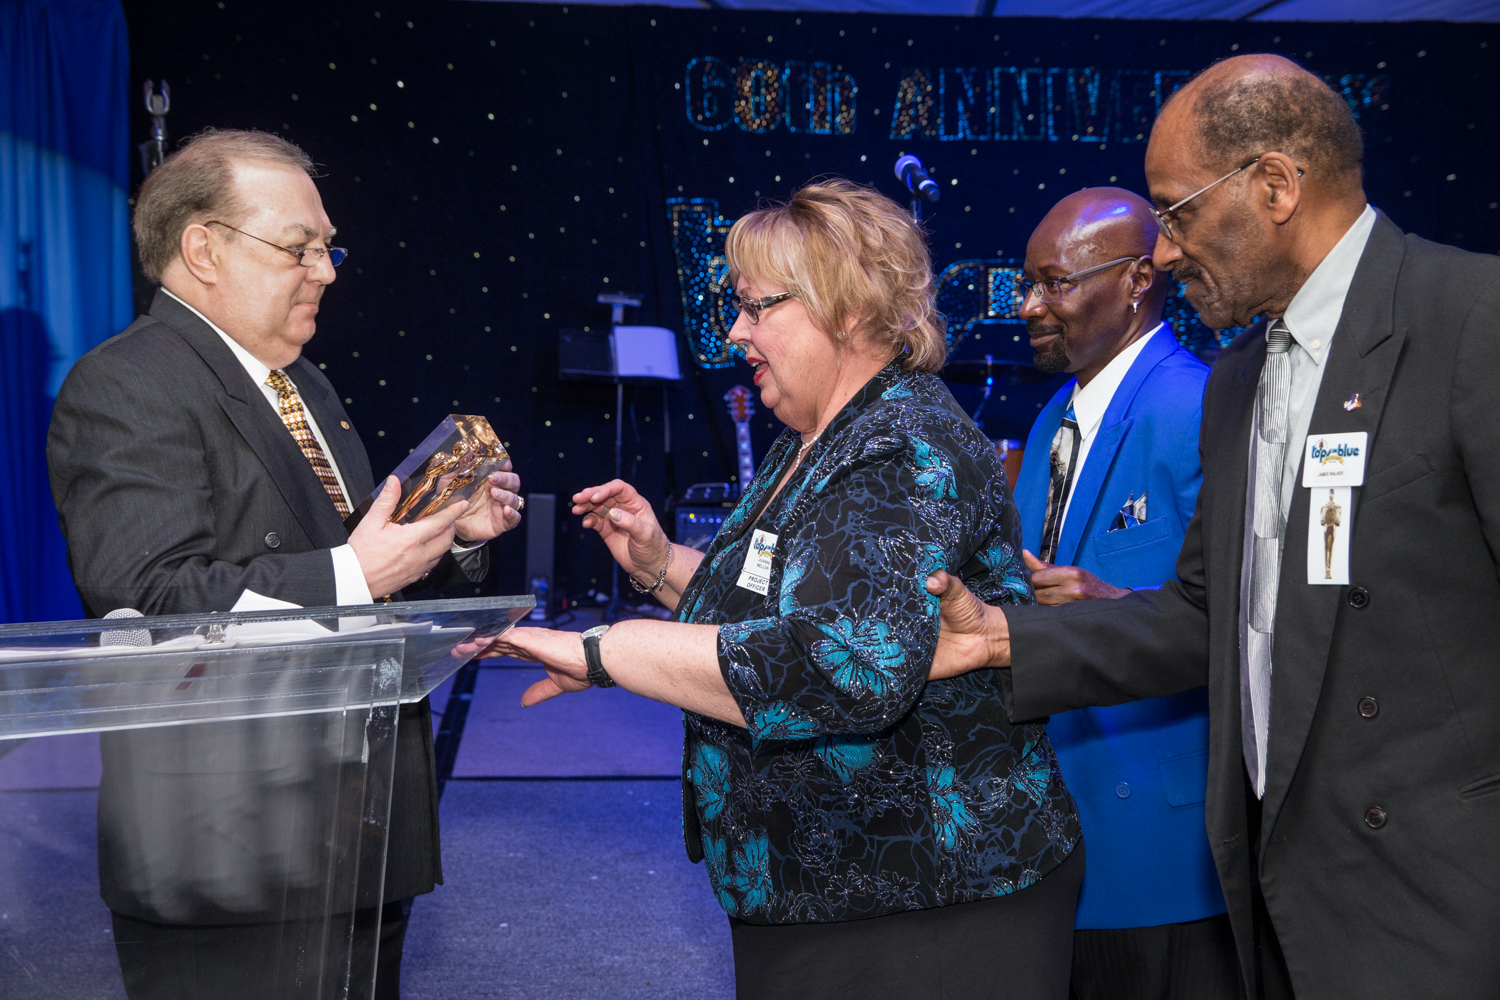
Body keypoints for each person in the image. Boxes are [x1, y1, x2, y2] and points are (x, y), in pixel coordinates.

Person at [924, 54, 1500, 999]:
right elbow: (1202, 615)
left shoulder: (1473, 320)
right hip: (1272, 885)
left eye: (1177, 212)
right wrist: (1003, 640)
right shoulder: (1239, 377)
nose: (1162, 253)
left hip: (1443, 900)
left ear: (1274, 186)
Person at [497, 179, 1084, 999]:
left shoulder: (903, 447)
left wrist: (608, 650)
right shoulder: (812, 437)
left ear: (845, 306)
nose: (735, 331)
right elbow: (781, 609)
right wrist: (661, 563)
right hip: (829, 887)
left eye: (755, 306)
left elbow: (843, 661)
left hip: (924, 903)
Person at [46, 129, 523, 998]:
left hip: (357, 825)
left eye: (327, 248)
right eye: (298, 247)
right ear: (203, 250)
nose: (326, 271)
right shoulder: (126, 383)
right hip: (228, 848)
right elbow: (149, 597)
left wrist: (451, 535)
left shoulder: (303, 384)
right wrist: (357, 573)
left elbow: (350, 561)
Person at [1012, 188, 1237, 998]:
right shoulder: (1052, 418)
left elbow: (1253, 622)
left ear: (1139, 280)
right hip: (1056, 838)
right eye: (1027, 284)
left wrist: (1113, 606)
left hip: (1163, 854)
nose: (1029, 305)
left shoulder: (1200, 406)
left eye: (1054, 283)